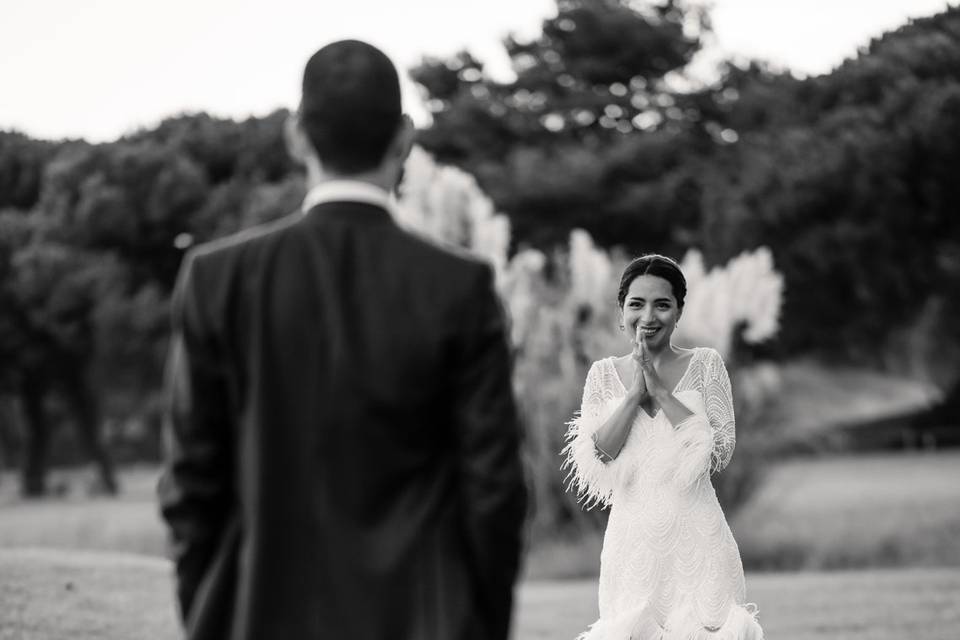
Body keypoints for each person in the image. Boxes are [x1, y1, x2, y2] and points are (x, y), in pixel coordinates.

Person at [158, 40, 527, 640]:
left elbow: (190, 485)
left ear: (297, 135)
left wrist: (208, 613)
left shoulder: (215, 279)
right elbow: (494, 490)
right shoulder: (460, 286)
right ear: (404, 136)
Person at [564, 254, 764, 639]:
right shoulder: (603, 375)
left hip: (699, 537)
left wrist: (660, 391)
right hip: (631, 543)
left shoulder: (706, 365)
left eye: (662, 304)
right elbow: (599, 455)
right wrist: (634, 395)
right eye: (636, 304)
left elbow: (718, 453)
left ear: (678, 311)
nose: (648, 316)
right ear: (621, 311)